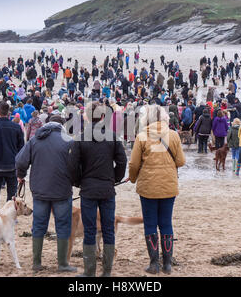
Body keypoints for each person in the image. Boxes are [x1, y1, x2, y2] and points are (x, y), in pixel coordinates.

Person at [68, 102, 127, 277]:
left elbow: (72, 165)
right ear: (103, 117)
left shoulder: (80, 137)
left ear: (86, 117)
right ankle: (107, 271)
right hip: (107, 188)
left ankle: (90, 271)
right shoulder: (113, 136)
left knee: (90, 229)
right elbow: (122, 162)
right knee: (108, 229)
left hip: (88, 189)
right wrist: (115, 179)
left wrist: (78, 182)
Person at [16, 115, 77, 273]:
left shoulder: (35, 140)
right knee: (63, 226)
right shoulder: (69, 141)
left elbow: (21, 160)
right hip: (62, 191)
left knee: (38, 226)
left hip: (40, 190)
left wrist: (21, 175)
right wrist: (76, 181)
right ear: (62, 125)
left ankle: (36, 263)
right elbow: (76, 166)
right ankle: (63, 264)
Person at [129, 105, 185, 275]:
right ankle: (167, 264)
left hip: (148, 187)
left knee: (150, 223)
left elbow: (133, 164)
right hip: (169, 186)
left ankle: (154, 264)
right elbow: (181, 161)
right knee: (166, 223)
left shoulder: (141, 136)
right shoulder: (173, 135)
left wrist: (132, 179)